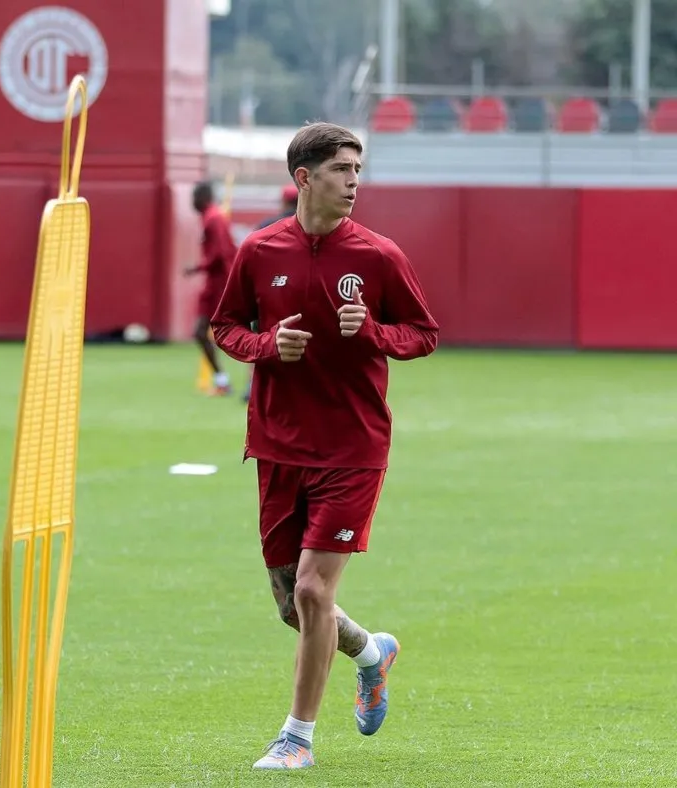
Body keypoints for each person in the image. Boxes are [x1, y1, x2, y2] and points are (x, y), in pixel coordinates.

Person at [210, 122, 439, 770]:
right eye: (342, 170)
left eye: (359, 170)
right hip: (278, 446)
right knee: (294, 606)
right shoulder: (257, 252)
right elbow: (225, 325)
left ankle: (296, 739)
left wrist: (372, 331)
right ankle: (371, 653)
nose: (354, 182)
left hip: (353, 447)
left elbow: (423, 333)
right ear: (304, 177)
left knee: (313, 591)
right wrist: (264, 347)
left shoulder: (378, 256)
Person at [241, 184, 300, 403]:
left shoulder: (266, 226)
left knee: (260, 337)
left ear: (284, 202)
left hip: (267, 293)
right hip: (298, 296)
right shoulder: (312, 228)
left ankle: (252, 384)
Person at [184, 181, 237, 395]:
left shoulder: (213, 219)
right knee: (202, 332)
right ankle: (222, 381)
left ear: (202, 197)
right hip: (215, 284)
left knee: (228, 332)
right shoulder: (212, 218)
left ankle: (229, 382)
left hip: (219, 285)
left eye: (194, 197)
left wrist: (196, 267)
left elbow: (220, 254)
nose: (192, 202)